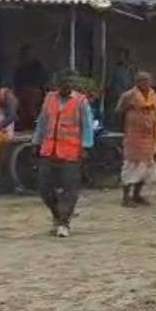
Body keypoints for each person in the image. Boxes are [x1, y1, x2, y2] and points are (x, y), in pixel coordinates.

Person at [33, 69, 95, 238]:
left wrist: (86, 147)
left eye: (70, 82)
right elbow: (42, 122)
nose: (66, 85)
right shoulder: (49, 99)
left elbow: (87, 126)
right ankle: (57, 213)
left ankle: (64, 222)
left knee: (70, 189)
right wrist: (36, 143)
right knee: (44, 187)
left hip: (71, 152)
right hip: (49, 150)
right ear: (57, 84)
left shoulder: (80, 101)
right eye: (63, 82)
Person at [115, 72, 156, 207]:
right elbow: (117, 111)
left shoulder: (153, 94)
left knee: (145, 167)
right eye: (142, 80)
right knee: (131, 166)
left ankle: (137, 195)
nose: (145, 83)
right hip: (133, 136)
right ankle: (126, 197)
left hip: (149, 136)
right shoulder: (128, 95)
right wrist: (127, 109)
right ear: (136, 82)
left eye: (147, 80)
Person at [13, 45, 48, 131]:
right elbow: (16, 83)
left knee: (29, 97)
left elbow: (42, 82)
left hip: (36, 91)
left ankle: (34, 123)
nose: (27, 56)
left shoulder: (38, 67)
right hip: (21, 92)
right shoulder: (20, 69)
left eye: (29, 54)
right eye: (25, 55)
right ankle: (22, 123)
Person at [107, 48, 136, 126]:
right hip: (116, 93)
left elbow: (133, 81)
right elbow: (110, 80)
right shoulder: (115, 68)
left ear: (126, 56)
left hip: (127, 93)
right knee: (114, 112)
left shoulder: (131, 68)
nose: (119, 57)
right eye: (118, 55)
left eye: (121, 55)